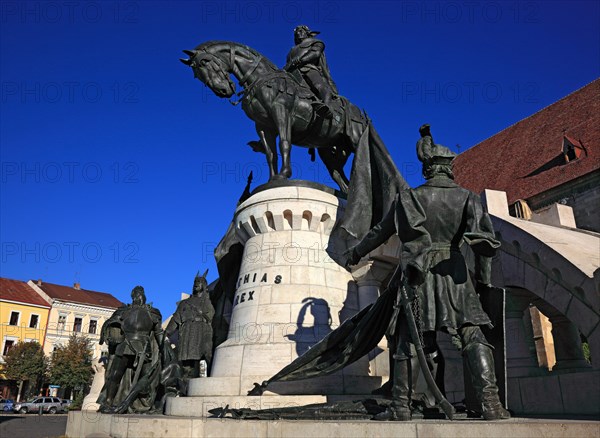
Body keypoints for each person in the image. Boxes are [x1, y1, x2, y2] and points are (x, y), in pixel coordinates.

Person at [346, 125, 510, 421]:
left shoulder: (410, 198)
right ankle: (491, 404)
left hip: (419, 273)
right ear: (448, 168)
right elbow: (485, 243)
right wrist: (483, 282)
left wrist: (356, 252)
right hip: (456, 272)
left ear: (426, 169)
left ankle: (400, 407)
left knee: (410, 340)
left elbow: (380, 232)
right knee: (473, 335)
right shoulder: (469, 198)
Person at [97, 286, 164, 414]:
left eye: (140, 294)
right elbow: (109, 325)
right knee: (115, 375)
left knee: (145, 379)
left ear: (144, 296)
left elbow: (158, 332)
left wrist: (164, 349)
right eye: (136, 294)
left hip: (144, 347)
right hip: (126, 344)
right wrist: (112, 327)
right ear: (132, 296)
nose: (138, 297)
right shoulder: (123, 311)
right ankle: (108, 402)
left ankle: (141, 405)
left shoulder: (153, 313)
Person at [166, 270, 215, 379]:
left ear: (204, 285)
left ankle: (212, 380)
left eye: (199, 282)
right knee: (188, 366)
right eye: (195, 282)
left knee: (208, 355)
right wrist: (166, 334)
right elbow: (175, 319)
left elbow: (212, 315)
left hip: (203, 330)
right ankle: (187, 385)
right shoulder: (184, 303)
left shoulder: (208, 301)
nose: (196, 284)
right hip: (188, 333)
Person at [284, 25, 338, 117]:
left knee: (318, 85)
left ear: (308, 33)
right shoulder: (291, 51)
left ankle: (327, 106)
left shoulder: (315, 42)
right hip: (293, 73)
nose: (298, 33)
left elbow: (315, 53)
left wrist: (301, 60)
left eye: (301, 31)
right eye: (296, 32)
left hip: (308, 68)